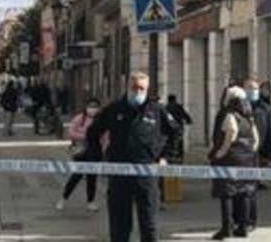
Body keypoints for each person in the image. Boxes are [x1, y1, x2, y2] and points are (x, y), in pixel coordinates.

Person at [87, 71, 177, 242]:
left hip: (147, 174)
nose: (137, 92)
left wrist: (164, 156)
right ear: (127, 87)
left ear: (147, 88)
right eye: (134, 88)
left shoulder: (156, 110)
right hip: (119, 174)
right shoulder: (114, 109)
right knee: (119, 226)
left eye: (141, 88)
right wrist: (97, 156)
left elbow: (174, 132)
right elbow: (93, 133)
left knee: (149, 225)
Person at [209, 86, 260, 240]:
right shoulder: (248, 116)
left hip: (230, 159)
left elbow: (231, 133)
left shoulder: (230, 115)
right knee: (244, 192)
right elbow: (256, 138)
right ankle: (243, 227)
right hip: (247, 159)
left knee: (227, 194)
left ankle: (227, 228)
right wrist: (251, 151)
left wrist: (221, 152)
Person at [244, 75, 271, 233]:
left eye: (255, 89)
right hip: (240, 153)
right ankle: (240, 219)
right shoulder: (239, 107)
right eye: (249, 88)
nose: (253, 91)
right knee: (239, 189)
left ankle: (251, 220)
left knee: (250, 189)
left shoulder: (264, 108)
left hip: (256, 153)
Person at [56, 97, 102, 212]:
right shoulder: (79, 118)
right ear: (86, 107)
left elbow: (105, 135)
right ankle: (63, 198)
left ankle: (90, 202)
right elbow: (70, 132)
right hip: (81, 149)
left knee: (92, 177)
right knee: (76, 176)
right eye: (90, 106)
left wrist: (105, 147)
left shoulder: (100, 120)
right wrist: (84, 137)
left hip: (95, 150)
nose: (92, 109)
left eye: (95, 107)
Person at [164, 94, 194, 163]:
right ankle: (179, 158)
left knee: (169, 143)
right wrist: (188, 121)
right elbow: (186, 116)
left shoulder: (166, 108)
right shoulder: (178, 107)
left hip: (169, 130)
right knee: (179, 143)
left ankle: (170, 157)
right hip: (178, 129)